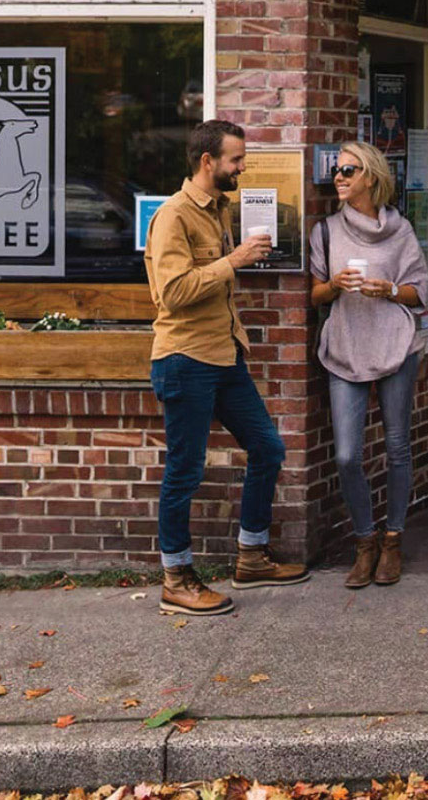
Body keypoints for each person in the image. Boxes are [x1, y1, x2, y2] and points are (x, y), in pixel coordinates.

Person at [143, 119, 310, 616]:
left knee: (267, 447)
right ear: (207, 162)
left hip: (223, 355)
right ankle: (176, 576)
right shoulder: (173, 216)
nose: (243, 167)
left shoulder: (219, 209)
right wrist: (233, 260)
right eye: (236, 160)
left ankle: (252, 556)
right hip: (185, 359)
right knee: (185, 471)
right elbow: (170, 294)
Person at [308, 140, 428, 589]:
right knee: (346, 455)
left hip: (396, 344)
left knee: (397, 447)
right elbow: (315, 294)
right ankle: (365, 541)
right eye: (337, 170)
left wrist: (391, 290)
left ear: (371, 177)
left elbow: (419, 290)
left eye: (348, 170)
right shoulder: (325, 230)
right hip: (345, 346)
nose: (338, 177)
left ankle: (393, 540)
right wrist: (336, 284)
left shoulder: (401, 231)